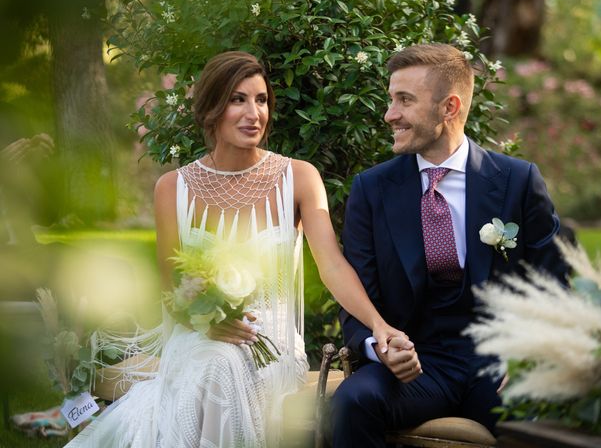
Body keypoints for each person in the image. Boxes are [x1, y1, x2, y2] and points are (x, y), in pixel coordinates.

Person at [66, 51, 406, 447]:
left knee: (219, 366)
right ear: (211, 108)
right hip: (196, 340)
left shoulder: (298, 177)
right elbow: (170, 289)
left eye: (261, 100)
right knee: (213, 363)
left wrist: (377, 324)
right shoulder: (172, 188)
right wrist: (205, 321)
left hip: (271, 346)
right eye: (237, 99)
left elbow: (332, 266)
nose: (254, 113)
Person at [330, 43, 568, 447]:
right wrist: (378, 346)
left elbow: (556, 284)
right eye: (391, 100)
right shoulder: (372, 190)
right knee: (354, 400)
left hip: (499, 364)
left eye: (404, 100)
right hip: (418, 367)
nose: (390, 114)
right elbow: (355, 296)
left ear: (449, 107)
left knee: (539, 410)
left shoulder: (518, 181)